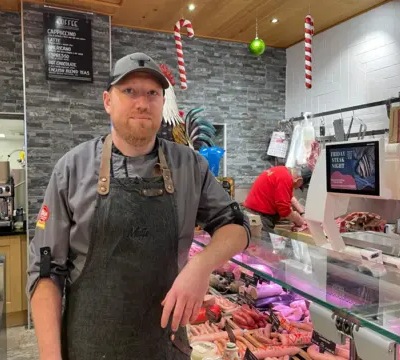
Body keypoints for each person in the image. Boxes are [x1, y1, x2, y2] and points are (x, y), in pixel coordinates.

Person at [27, 52, 251, 360]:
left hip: (166, 347)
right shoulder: (73, 168)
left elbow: (237, 227)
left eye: (152, 93)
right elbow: (45, 271)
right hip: (90, 346)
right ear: (108, 101)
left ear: (162, 102)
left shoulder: (190, 165)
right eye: (129, 91)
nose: (142, 103)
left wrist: (201, 266)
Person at [243, 166, 311, 233]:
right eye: (300, 187)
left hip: (253, 211)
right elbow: (285, 211)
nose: (296, 188)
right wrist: (299, 221)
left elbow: (290, 197)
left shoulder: (282, 171)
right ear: (299, 180)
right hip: (259, 216)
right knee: (265, 243)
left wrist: (302, 213)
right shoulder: (285, 178)